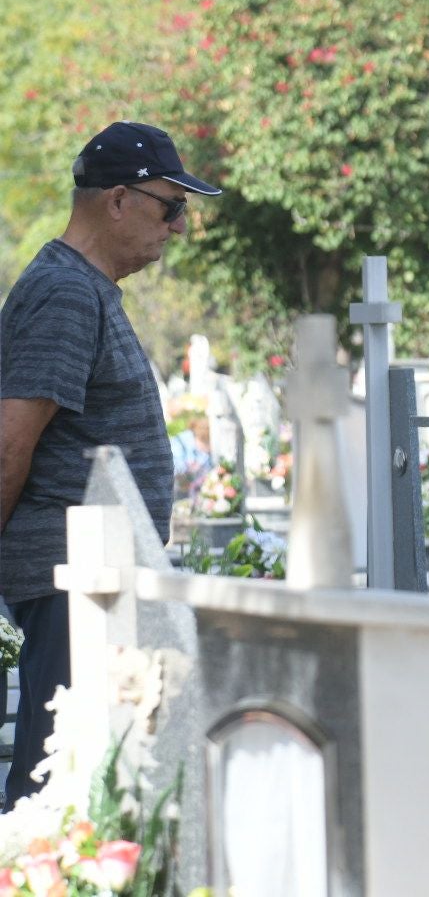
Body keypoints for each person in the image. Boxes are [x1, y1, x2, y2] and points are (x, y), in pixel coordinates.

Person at [0, 122, 222, 807]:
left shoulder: (85, 289)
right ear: (118, 200)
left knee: (90, 779)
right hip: (72, 584)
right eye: (170, 206)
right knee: (57, 784)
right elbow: (11, 442)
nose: (179, 227)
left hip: (94, 583)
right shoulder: (65, 293)